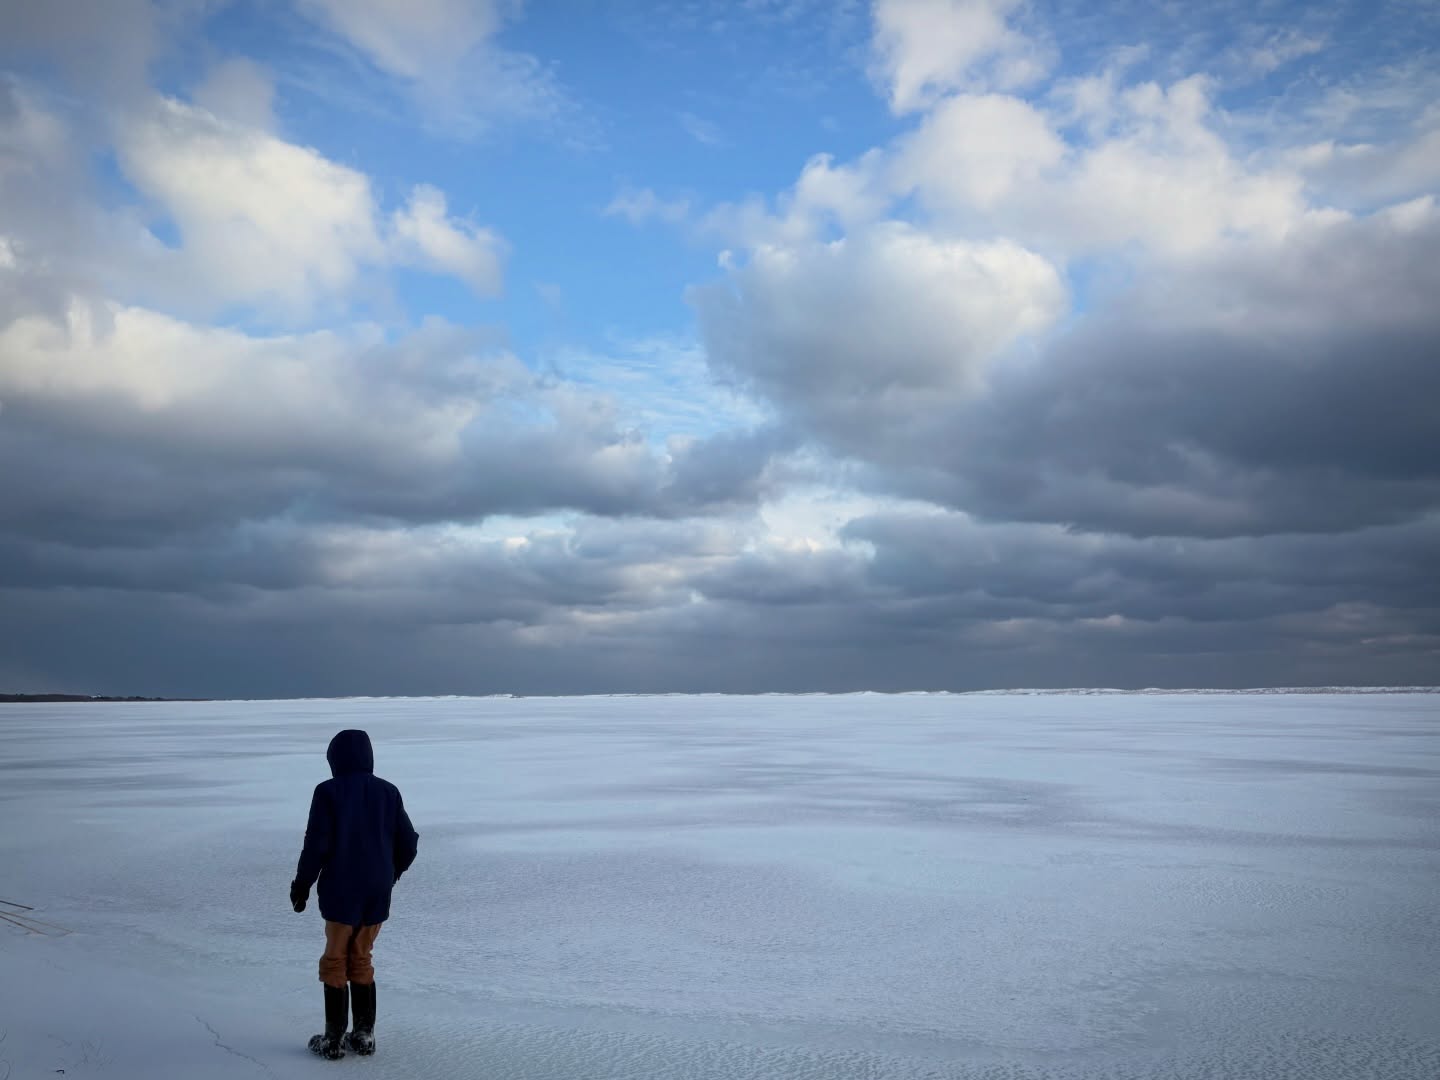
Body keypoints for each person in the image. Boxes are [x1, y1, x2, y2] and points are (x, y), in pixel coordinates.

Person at [290, 729, 419, 1060]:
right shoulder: (388, 792)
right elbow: (409, 843)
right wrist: (390, 875)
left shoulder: (328, 792)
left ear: (335, 759)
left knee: (335, 958)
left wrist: (301, 884)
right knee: (361, 956)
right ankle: (364, 1035)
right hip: (376, 892)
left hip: (341, 891)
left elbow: (316, 845)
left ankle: (333, 1039)